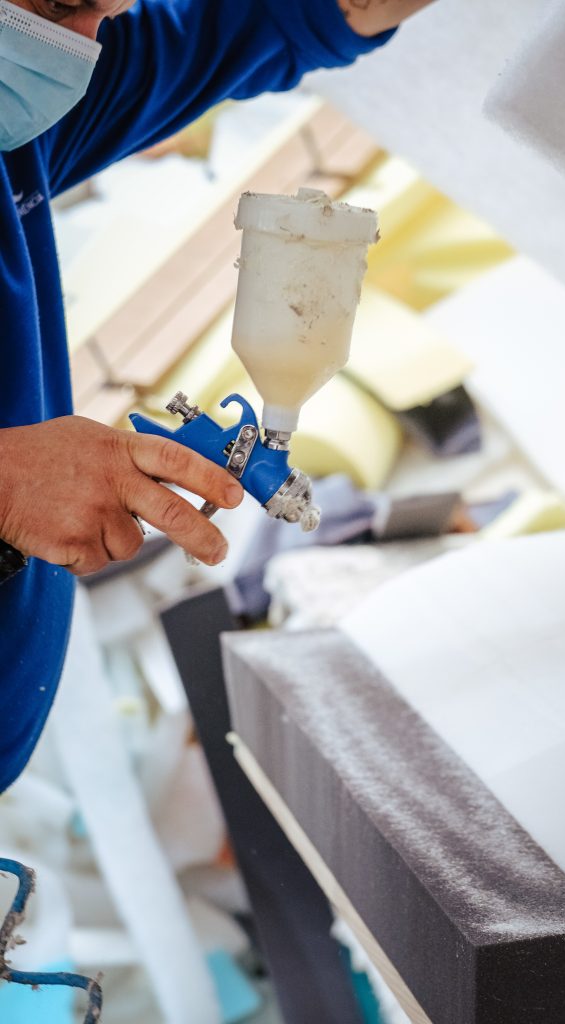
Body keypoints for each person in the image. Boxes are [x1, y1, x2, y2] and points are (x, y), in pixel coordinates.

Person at [0, 0, 433, 792]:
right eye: (63, 6)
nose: (82, 47)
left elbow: (244, 23)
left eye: (106, 7)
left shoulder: (12, 133)